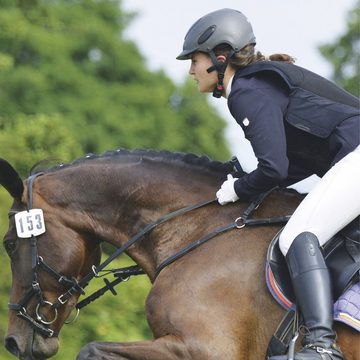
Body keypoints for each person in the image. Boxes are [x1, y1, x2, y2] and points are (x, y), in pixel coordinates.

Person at [177, 8, 360, 360]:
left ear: (220, 57)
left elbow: (274, 169)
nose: (190, 70)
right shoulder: (256, 85)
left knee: (296, 237)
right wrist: (248, 183)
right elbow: (293, 166)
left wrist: (239, 189)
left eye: (195, 60)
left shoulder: (246, 90)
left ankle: (322, 345)